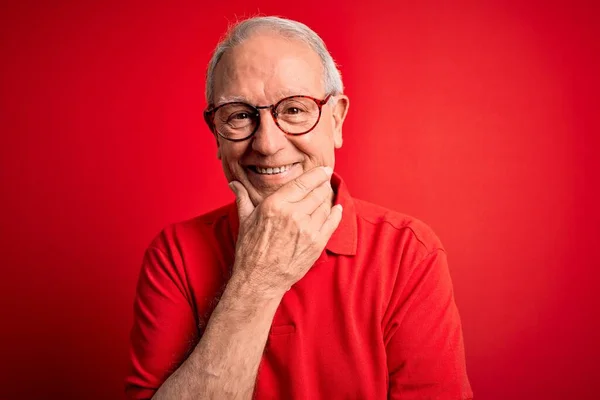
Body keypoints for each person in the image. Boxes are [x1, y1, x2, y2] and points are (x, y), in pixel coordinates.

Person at [125, 15, 473, 400]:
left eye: (293, 110)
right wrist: (257, 282)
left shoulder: (409, 254)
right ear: (217, 136)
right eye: (240, 115)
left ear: (337, 119)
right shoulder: (174, 254)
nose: (268, 144)